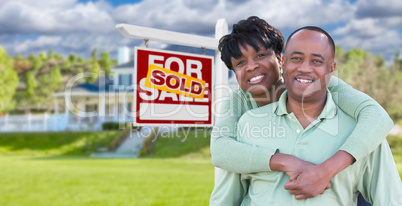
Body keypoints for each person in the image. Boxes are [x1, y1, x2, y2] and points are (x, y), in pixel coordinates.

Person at [209, 16, 394, 205]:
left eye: (260, 55)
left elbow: (377, 117)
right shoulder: (239, 104)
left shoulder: (321, 83)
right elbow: (221, 149)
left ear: (280, 59)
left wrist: (325, 171)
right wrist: (286, 161)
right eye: (240, 63)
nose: (252, 66)